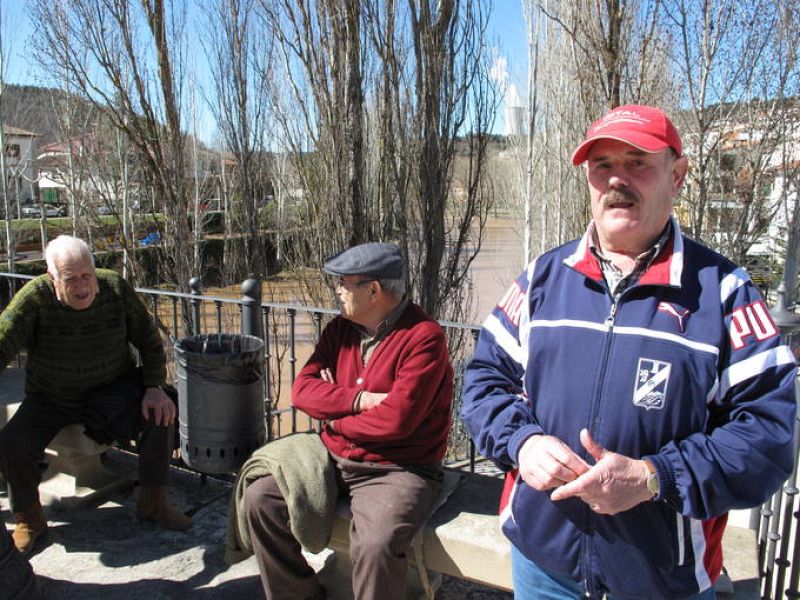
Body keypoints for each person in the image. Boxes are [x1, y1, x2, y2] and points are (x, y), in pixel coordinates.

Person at [460, 105, 797, 599]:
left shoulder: (723, 292)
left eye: (637, 162)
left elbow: (769, 434)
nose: (617, 179)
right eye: (602, 166)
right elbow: (483, 381)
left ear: (677, 176)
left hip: (661, 579)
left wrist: (652, 477)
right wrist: (523, 443)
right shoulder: (543, 279)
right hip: (543, 568)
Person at [244, 242, 454, 600]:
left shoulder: (424, 338)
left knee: (376, 544)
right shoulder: (339, 331)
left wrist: (334, 419)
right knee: (259, 499)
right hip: (334, 457)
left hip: (399, 468)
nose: (337, 291)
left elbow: (396, 422)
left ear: (373, 290)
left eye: (344, 283)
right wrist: (358, 401)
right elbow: (302, 392)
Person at [0, 235, 190, 556]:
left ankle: (153, 503)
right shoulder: (34, 298)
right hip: (51, 397)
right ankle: (30, 519)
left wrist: (154, 387)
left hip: (111, 391)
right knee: (11, 444)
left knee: (162, 414)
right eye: (70, 279)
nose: (82, 286)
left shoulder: (115, 288)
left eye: (86, 275)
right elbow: (3, 340)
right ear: (52, 278)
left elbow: (149, 339)